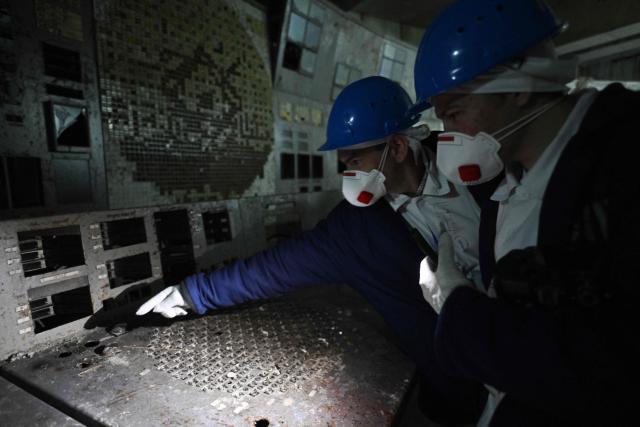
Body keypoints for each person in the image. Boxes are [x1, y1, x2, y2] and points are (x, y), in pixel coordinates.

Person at [137, 76, 489, 425]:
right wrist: (191, 293)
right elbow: (276, 268)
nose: (347, 174)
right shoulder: (354, 230)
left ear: (397, 148)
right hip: (464, 386)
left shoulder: (483, 170)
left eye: (353, 161)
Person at [413, 0, 640, 425]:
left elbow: (615, 369)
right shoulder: (507, 178)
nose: (448, 136)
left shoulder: (623, 166)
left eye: (455, 113)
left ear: (518, 87)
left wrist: (457, 307)